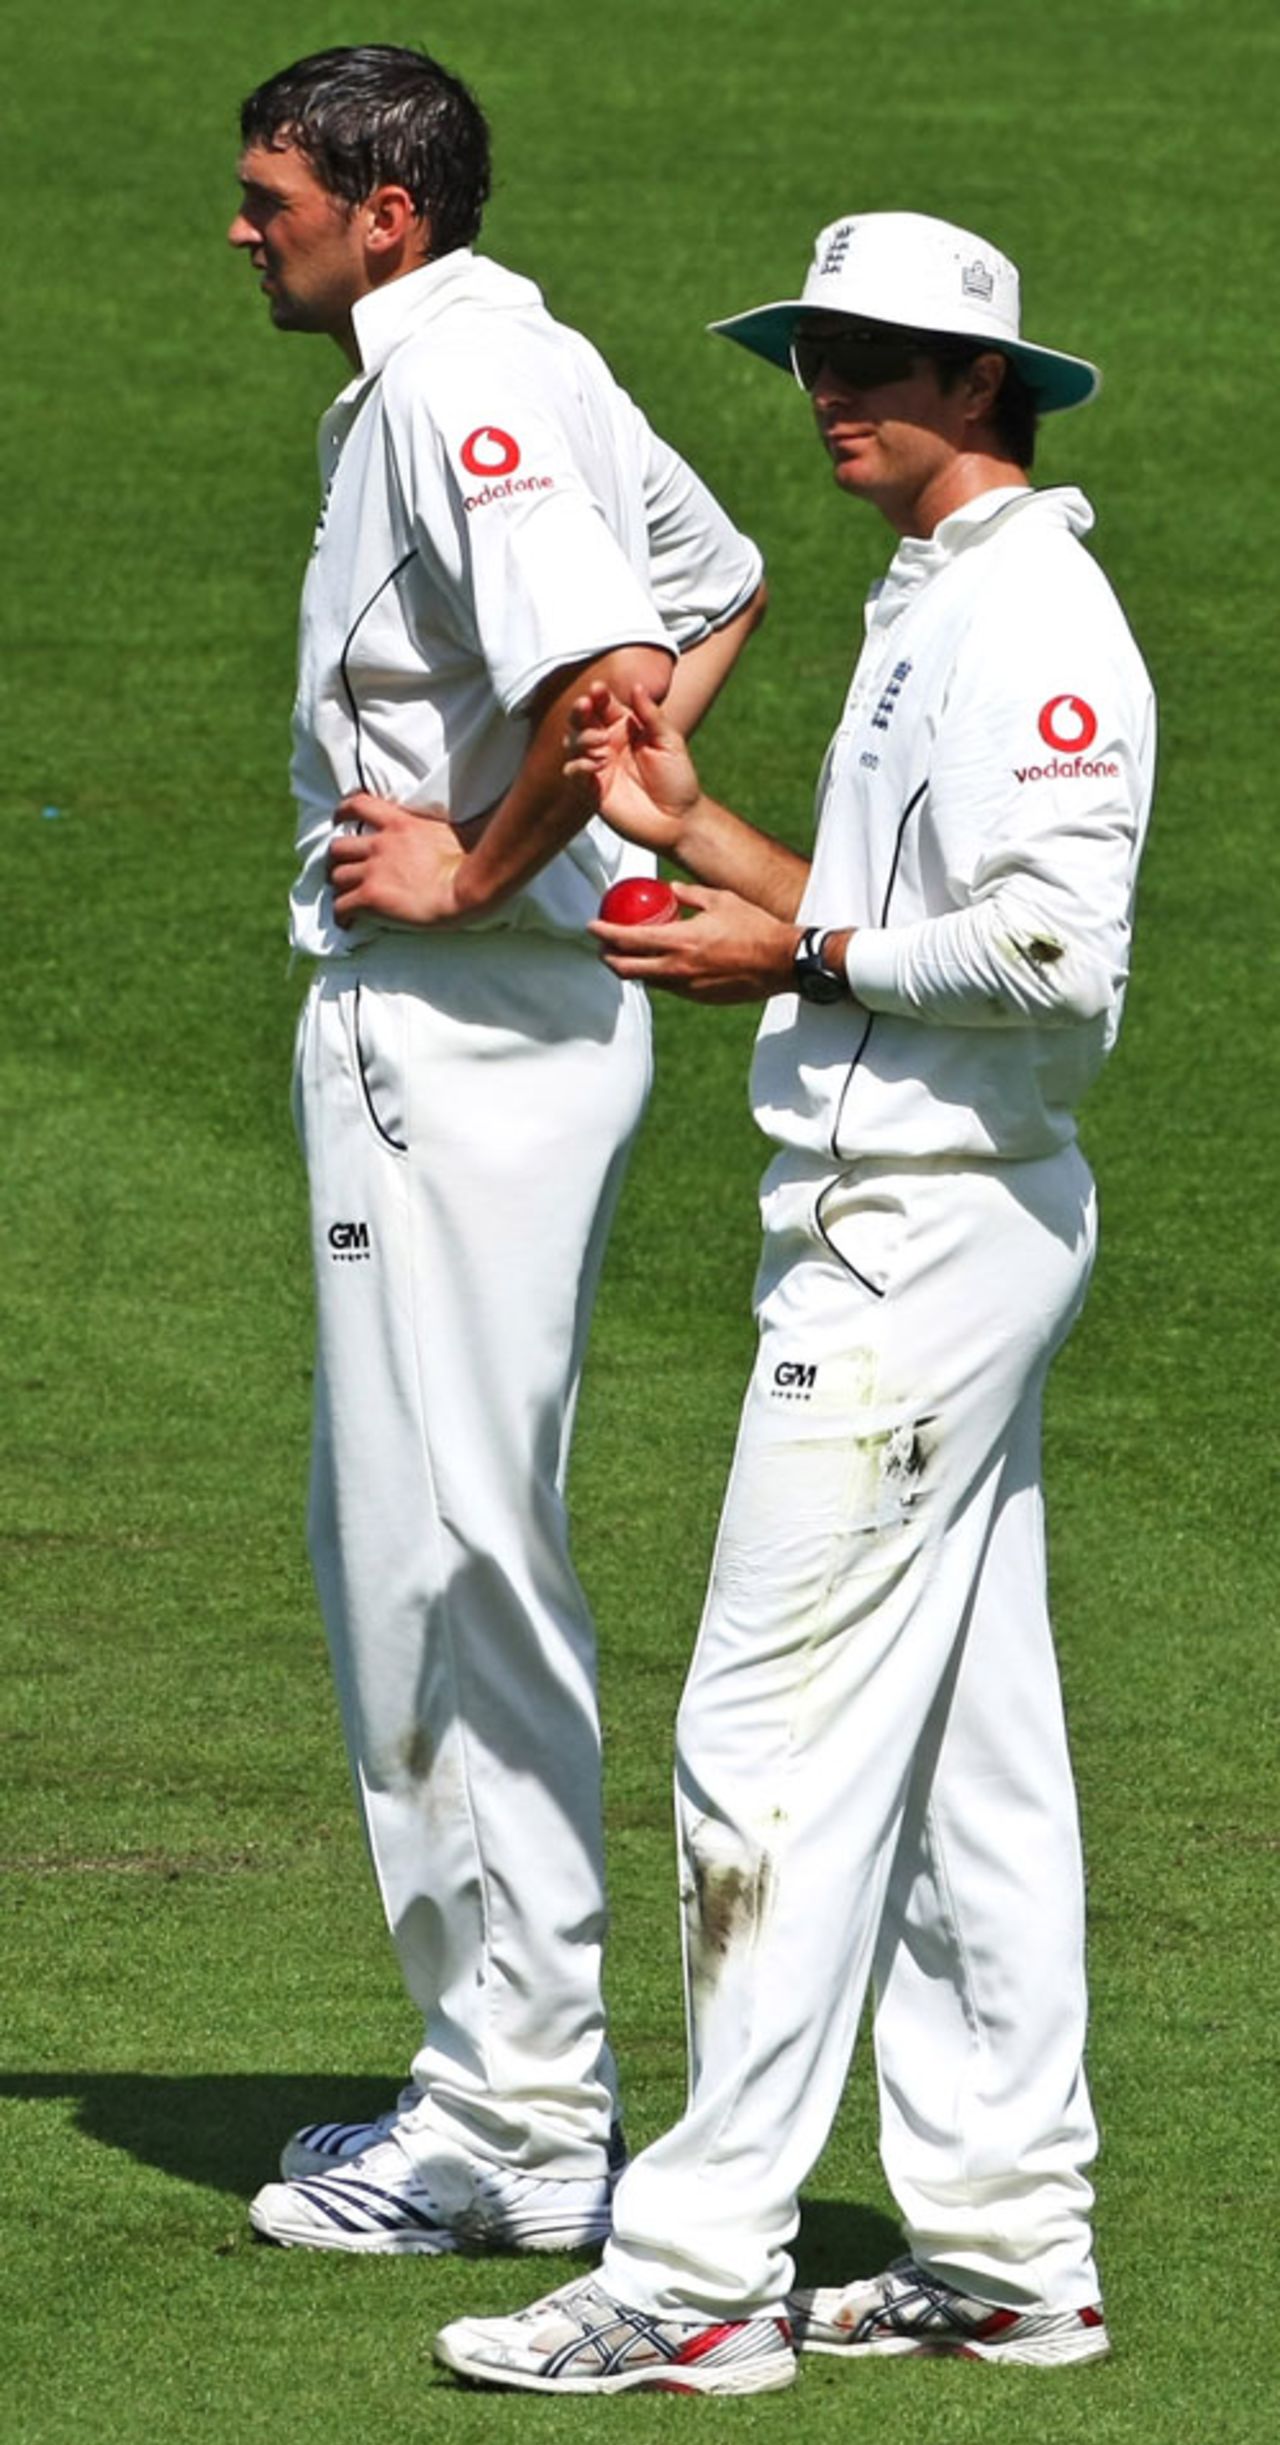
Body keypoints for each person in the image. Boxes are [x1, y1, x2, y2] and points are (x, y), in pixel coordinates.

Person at [434, 209, 1155, 2392]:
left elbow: (1052, 953)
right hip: (930, 1215)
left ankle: (695, 2274)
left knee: (765, 1752)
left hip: (911, 1240)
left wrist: (798, 959)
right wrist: (698, 828)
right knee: (965, 1758)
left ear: (982, 384)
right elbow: (898, 899)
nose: (827, 388)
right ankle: (1011, 2248)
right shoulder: (940, 593)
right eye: (811, 354)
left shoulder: (1038, 610)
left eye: (872, 358)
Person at [227, 43, 764, 2256]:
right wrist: (581, 838)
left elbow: (610, 676)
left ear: (389, 208)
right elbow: (716, 582)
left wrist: (483, 867)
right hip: (509, 1038)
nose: (240, 227)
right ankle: (518, 2088)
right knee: (457, 1537)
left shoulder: (466, 386)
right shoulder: (499, 356)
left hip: (454, 1035)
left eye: (272, 195)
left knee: (434, 1563)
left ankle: (514, 2115)